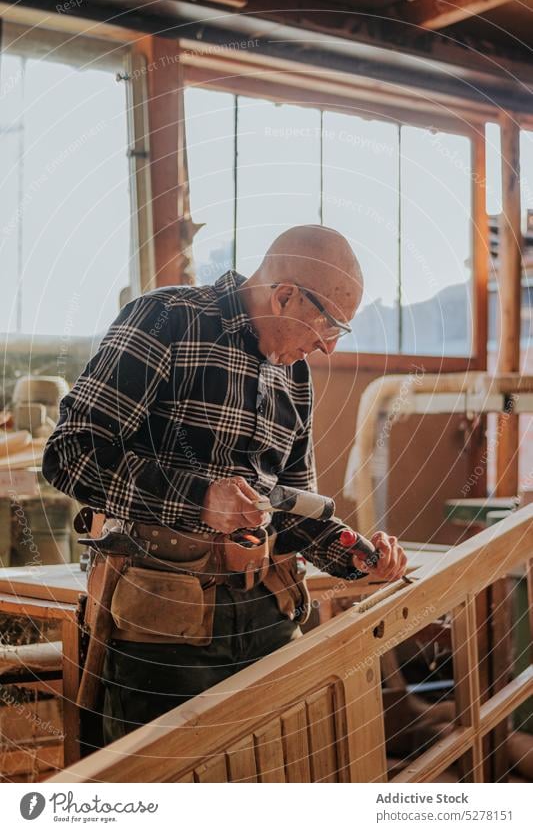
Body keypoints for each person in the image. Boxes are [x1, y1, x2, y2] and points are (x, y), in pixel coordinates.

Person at [42, 224, 407, 745]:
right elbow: (68, 454)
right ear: (283, 296)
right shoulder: (168, 318)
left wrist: (360, 557)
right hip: (166, 624)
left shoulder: (294, 375)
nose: (327, 347)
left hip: (268, 616)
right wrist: (200, 500)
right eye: (330, 326)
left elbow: (292, 511)